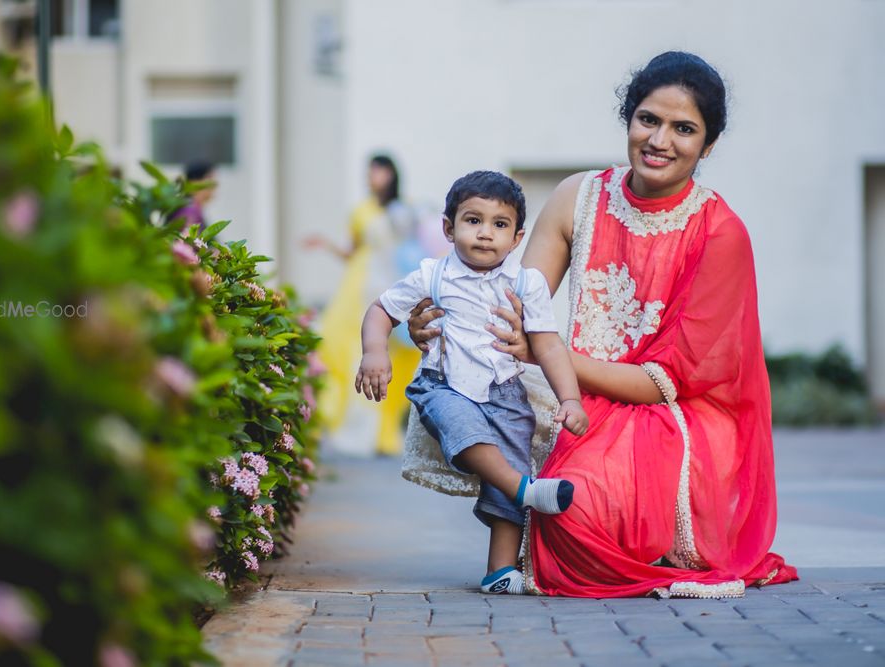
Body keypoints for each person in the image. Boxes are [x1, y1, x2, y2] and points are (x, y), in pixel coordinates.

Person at [406, 51, 798, 598]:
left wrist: (550, 358)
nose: (660, 139)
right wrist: (441, 323)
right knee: (466, 386)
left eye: (684, 129)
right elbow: (509, 305)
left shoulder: (720, 233)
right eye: (649, 120)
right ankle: (516, 540)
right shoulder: (578, 197)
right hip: (581, 388)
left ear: (708, 146)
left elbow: (665, 381)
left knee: (576, 517)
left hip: (673, 414)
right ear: (629, 119)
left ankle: (637, 524)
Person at [357, 170, 589, 595]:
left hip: (505, 394)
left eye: (499, 225)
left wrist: (569, 398)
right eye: (473, 220)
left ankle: (500, 570)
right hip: (442, 386)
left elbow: (549, 346)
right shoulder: (432, 275)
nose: (486, 234)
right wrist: (375, 351)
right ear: (448, 228)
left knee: (512, 465)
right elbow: (380, 310)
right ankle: (527, 490)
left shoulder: (526, 283)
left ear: (517, 237)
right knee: (464, 428)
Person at [306, 155, 423, 456]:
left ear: (392, 173)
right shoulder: (360, 212)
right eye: (371, 171)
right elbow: (351, 252)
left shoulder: (405, 208)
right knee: (349, 351)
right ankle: (355, 426)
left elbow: (411, 249)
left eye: (380, 170)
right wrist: (325, 245)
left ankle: (385, 430)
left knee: (399, 357)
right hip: (359, 285)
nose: (374, 176)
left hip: (393, 282)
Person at [170, 161, 217, 236]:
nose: (215, 185)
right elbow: (186, 241)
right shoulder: (190, 211)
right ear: (194, 182)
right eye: (210, 178)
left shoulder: (192, 208)